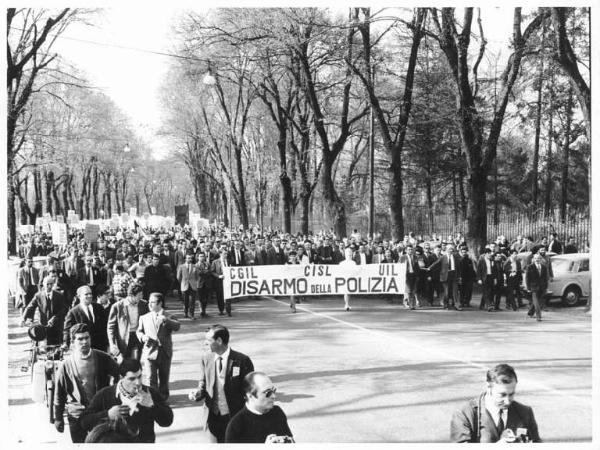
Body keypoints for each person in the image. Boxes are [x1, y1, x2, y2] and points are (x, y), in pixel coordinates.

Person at [80, 358, 174, 443]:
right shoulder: (105, 394)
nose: (137, 383)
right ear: (121, 377)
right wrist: (108, 414)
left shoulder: (150, 393)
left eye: (139, 376)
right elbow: (84, 422)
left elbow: (167, 421)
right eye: (132, 379)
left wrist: (152, 406)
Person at [54, 323, 119, 443]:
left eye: (87, 338)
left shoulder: (103, 358)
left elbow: (120, 375)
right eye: (80, 339)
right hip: (76, 414)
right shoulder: (65, 365)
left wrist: (113, 394)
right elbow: (59, 393)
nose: (84, 342)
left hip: (99, 413)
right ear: (73, 342)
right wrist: (58, 418)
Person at [188, 325, 254, 443]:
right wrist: (197, 393)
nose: (205, 343)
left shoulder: (242, 360)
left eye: (208, 340)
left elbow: (251, 391)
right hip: (213, 417)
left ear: (219, 341)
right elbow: (203, 383)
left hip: (234, 417)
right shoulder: (206, 359)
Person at [450, 364, 541, 443]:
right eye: (502, 395)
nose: (507, 401)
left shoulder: (525, 412)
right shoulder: (464, 414)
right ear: (488, 387)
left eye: (511, 394)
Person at [225, 372, 294, 443]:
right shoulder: (236, 426)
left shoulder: (277, 412)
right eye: (268, 393)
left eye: (274, 391)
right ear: (250, 396)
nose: (274, 396)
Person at [136, 292, 180, 400]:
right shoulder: (144, 317)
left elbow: (177, 326)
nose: (150, 305)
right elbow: (139, 331)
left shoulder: (169, 315)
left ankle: (163, 399)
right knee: (151, 378)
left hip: (165, 352)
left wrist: (166, 320)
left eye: (153, 302)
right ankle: (154, 400)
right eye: (149, 302)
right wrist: (143, 337)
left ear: (160, 303)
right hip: (150, 352)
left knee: (164, 378)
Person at [107, 282, 149, 361]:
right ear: (132, 295)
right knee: (125, 363)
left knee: (136, 361)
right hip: (124, 338)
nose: (141, 297)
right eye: (139, 295)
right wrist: (112, 344)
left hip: (138, 336)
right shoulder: (117, 306)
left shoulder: (144, 304)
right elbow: (111, 327)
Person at [22, 275, 67, 345]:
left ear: (53, 284)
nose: (49, 286)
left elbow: (64, 309)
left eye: (51, 284)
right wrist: (23, 319)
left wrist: (55, 318)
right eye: (47, 284)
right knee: (45, 346)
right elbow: (30, 307)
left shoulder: (59, 295)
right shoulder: (38, 296)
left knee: (56, 346)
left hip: (56, 325)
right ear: (43, 284)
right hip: (43, 325)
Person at [63, 285, 108, 351]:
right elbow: (67, 330)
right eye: (86, 294)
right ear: (79, 296)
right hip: (84, 348)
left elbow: (105, 326)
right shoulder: (73, 312)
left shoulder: (99, 308)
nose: (89, 296)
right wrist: (66, 343)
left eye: (90, 294)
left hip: (100, 347)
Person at [525, 253, 549, 321]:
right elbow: (527, 278)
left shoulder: (544, 267)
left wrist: (546, 288)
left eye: (538, 258)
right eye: (535, 258)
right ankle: (539, 316)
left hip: (542, 287)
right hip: (534, 287)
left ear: (540, 259)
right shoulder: (530, 267)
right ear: (533, 259)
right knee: (536, 302)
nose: (537, 260)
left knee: (538, 301)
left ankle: (530, 312)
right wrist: (528, 288)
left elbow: (545, 278)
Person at [177, 253, 200, 319]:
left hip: (192, 285)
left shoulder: (195, 266)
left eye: (191, 258)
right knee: (185, 300)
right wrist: (183, 282)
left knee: (192, 301)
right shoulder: (181, 266)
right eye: (188, 258)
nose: (190, 259)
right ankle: (185, 312)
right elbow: (178, 277)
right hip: (184, 285)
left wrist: (195, 274)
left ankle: (191, 314)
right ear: (185, 259)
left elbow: (197, 277)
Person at [211, 247, 230, 316]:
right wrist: (218, 276)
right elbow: (212, 272)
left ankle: (228, 310)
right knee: (220, 296)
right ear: (220, 254)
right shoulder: (215, 262)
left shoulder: (229, 261)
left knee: (228, 296)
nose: (226, 255)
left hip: (228, 281)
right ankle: (221, 310)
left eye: (226, 254)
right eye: (224, 254)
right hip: (219, 281)